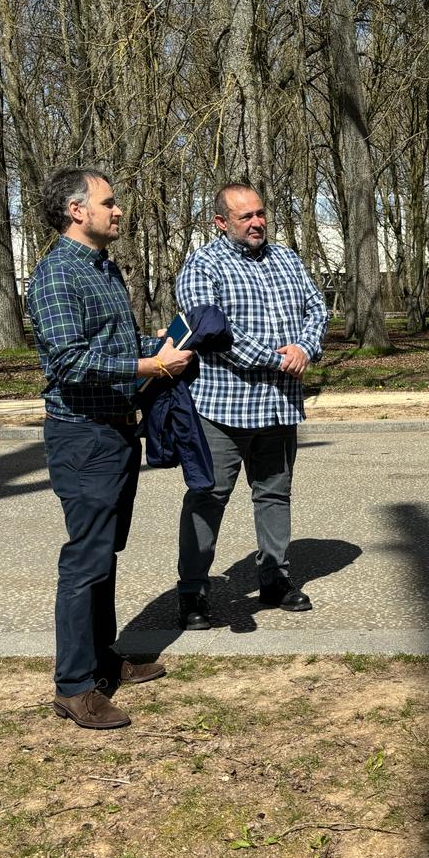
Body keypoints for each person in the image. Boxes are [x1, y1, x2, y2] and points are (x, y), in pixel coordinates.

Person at [27, 168, 193, 730]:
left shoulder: (102, 269)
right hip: (83, 436)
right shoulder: (56, 277)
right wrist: (148, 366)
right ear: (78, 211)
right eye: (109, 202)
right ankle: (74, 686)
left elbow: (111, 345)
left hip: (120, 429)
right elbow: (68, 364)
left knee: (104, 555)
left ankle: (103, 661)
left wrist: (162, 346)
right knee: (85, 559)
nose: (118, 210)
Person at [174, 182, 329, 627]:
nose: (257, 222)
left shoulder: (286, 259)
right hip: (222, 408)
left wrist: (303, 347)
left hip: (279, 405)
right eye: (245, 217)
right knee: (208, 497)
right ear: (221, 222)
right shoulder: (203, 263)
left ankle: (275, 578)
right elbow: (209, 329)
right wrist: (275, 358)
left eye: (260, 213)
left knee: (275, 494)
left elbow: (317, 309)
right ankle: (194, 592)